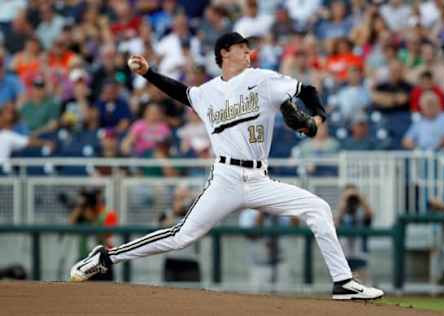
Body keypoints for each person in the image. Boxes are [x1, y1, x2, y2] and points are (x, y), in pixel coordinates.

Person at [70, 32, 383, 300]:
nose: (249, 52)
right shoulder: (206, 93)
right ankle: (106, 257)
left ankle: (343, 283)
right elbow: (181, 92)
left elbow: (309, 91)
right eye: (242, 47)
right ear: (224, 52)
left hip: (260, 180)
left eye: (249, 48)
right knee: (183, 236)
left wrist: (315, 122)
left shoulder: (263, 78)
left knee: (317, 208)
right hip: (226, 178)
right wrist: (149, 73)